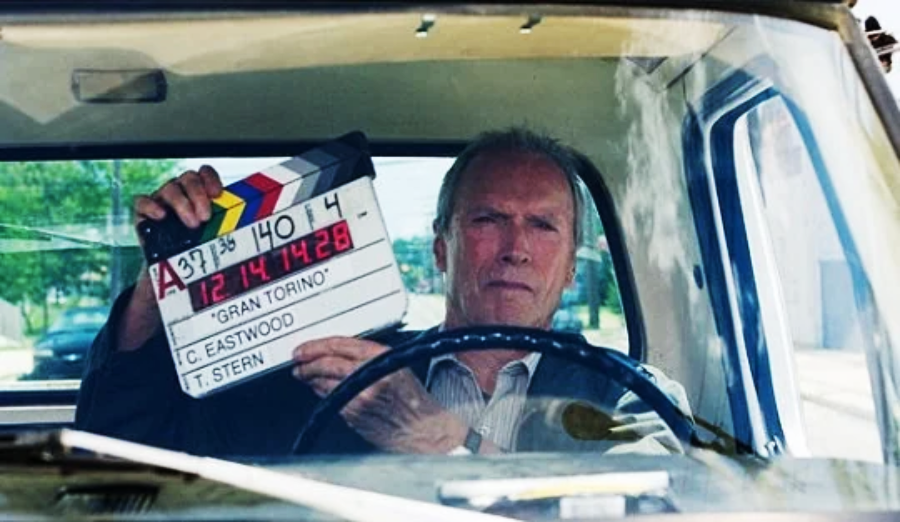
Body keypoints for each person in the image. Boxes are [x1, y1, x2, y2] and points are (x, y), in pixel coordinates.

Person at [75, 128, 690, 456]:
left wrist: (443, 441)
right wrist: (164, 286)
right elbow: (129, 449)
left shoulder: (631, 394)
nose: (515, 246)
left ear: (570, 265)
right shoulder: (329, 369)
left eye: (543, 225)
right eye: (487, 219)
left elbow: (659, 508)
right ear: (442, 248)